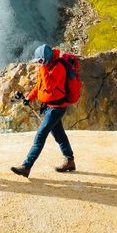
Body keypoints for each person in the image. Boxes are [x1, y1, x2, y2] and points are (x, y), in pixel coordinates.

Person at [11, 44, 75, 177]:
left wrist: (43, 68)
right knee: (59, 136)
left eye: (40, 61)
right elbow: (39, 86)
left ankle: (26, 166)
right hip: (49, 107)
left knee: (40, 136)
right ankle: (69, 160)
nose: (38, 64)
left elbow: (49, 86)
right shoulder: (46, 67)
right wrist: (29, 98)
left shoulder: (58, 68)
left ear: (45, 59)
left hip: (56, 109)